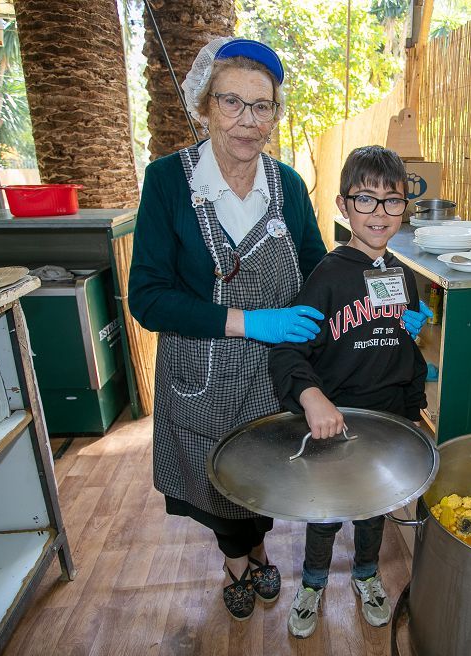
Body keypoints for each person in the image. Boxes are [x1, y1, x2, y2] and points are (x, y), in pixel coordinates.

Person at [128, 37, 330, 622]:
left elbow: (317, 271)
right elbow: (148, 297)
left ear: (276, 113)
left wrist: (369, 298)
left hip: (272, 373)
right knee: (214, 481)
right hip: (202, 372)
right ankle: (239, 562)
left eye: (261, 106)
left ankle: (259, 547)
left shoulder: (288, 185)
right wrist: (249, 320)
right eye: (231, 102)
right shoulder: (169, 182)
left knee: (265, 473)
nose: (248, 120)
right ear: (203, 106)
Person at [268, 145, 428, 638]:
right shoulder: (328, 277)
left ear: (406, 207)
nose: (379, 213)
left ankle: (366, 574)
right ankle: (313, 583)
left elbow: (400, 341)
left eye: (392, 201)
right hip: (333, 420)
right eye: (365, 199)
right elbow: (287, 351)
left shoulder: (401, 274)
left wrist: (412, 401)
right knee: (327, 511)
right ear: (343, 205)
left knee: (374, 508)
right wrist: (312, 398)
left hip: (385, 419)